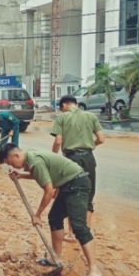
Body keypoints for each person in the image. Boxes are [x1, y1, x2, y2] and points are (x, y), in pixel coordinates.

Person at [0, 144, 103, 276]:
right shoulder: (31, 155)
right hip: (68, 184)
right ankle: (56, 258)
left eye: (12, 163)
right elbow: (42, 174)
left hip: (77, 184)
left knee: (79, 227)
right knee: (54, 217)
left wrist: (37, 215)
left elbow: (48, 191)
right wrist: (21, 175)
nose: (14, 167)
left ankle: (94, 270)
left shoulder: (35, 161)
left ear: (16, 155)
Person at [51, 95, 105, 243]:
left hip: (71, 159)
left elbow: (58, 141)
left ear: (63, 106)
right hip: (88, 158)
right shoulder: (90, 116)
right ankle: (85, 233)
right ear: (75, 104)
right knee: (88, 194)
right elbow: (101, 139)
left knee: (70, 194)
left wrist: (53, 156)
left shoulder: (62, 118)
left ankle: (72, 234)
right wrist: (89, 145)